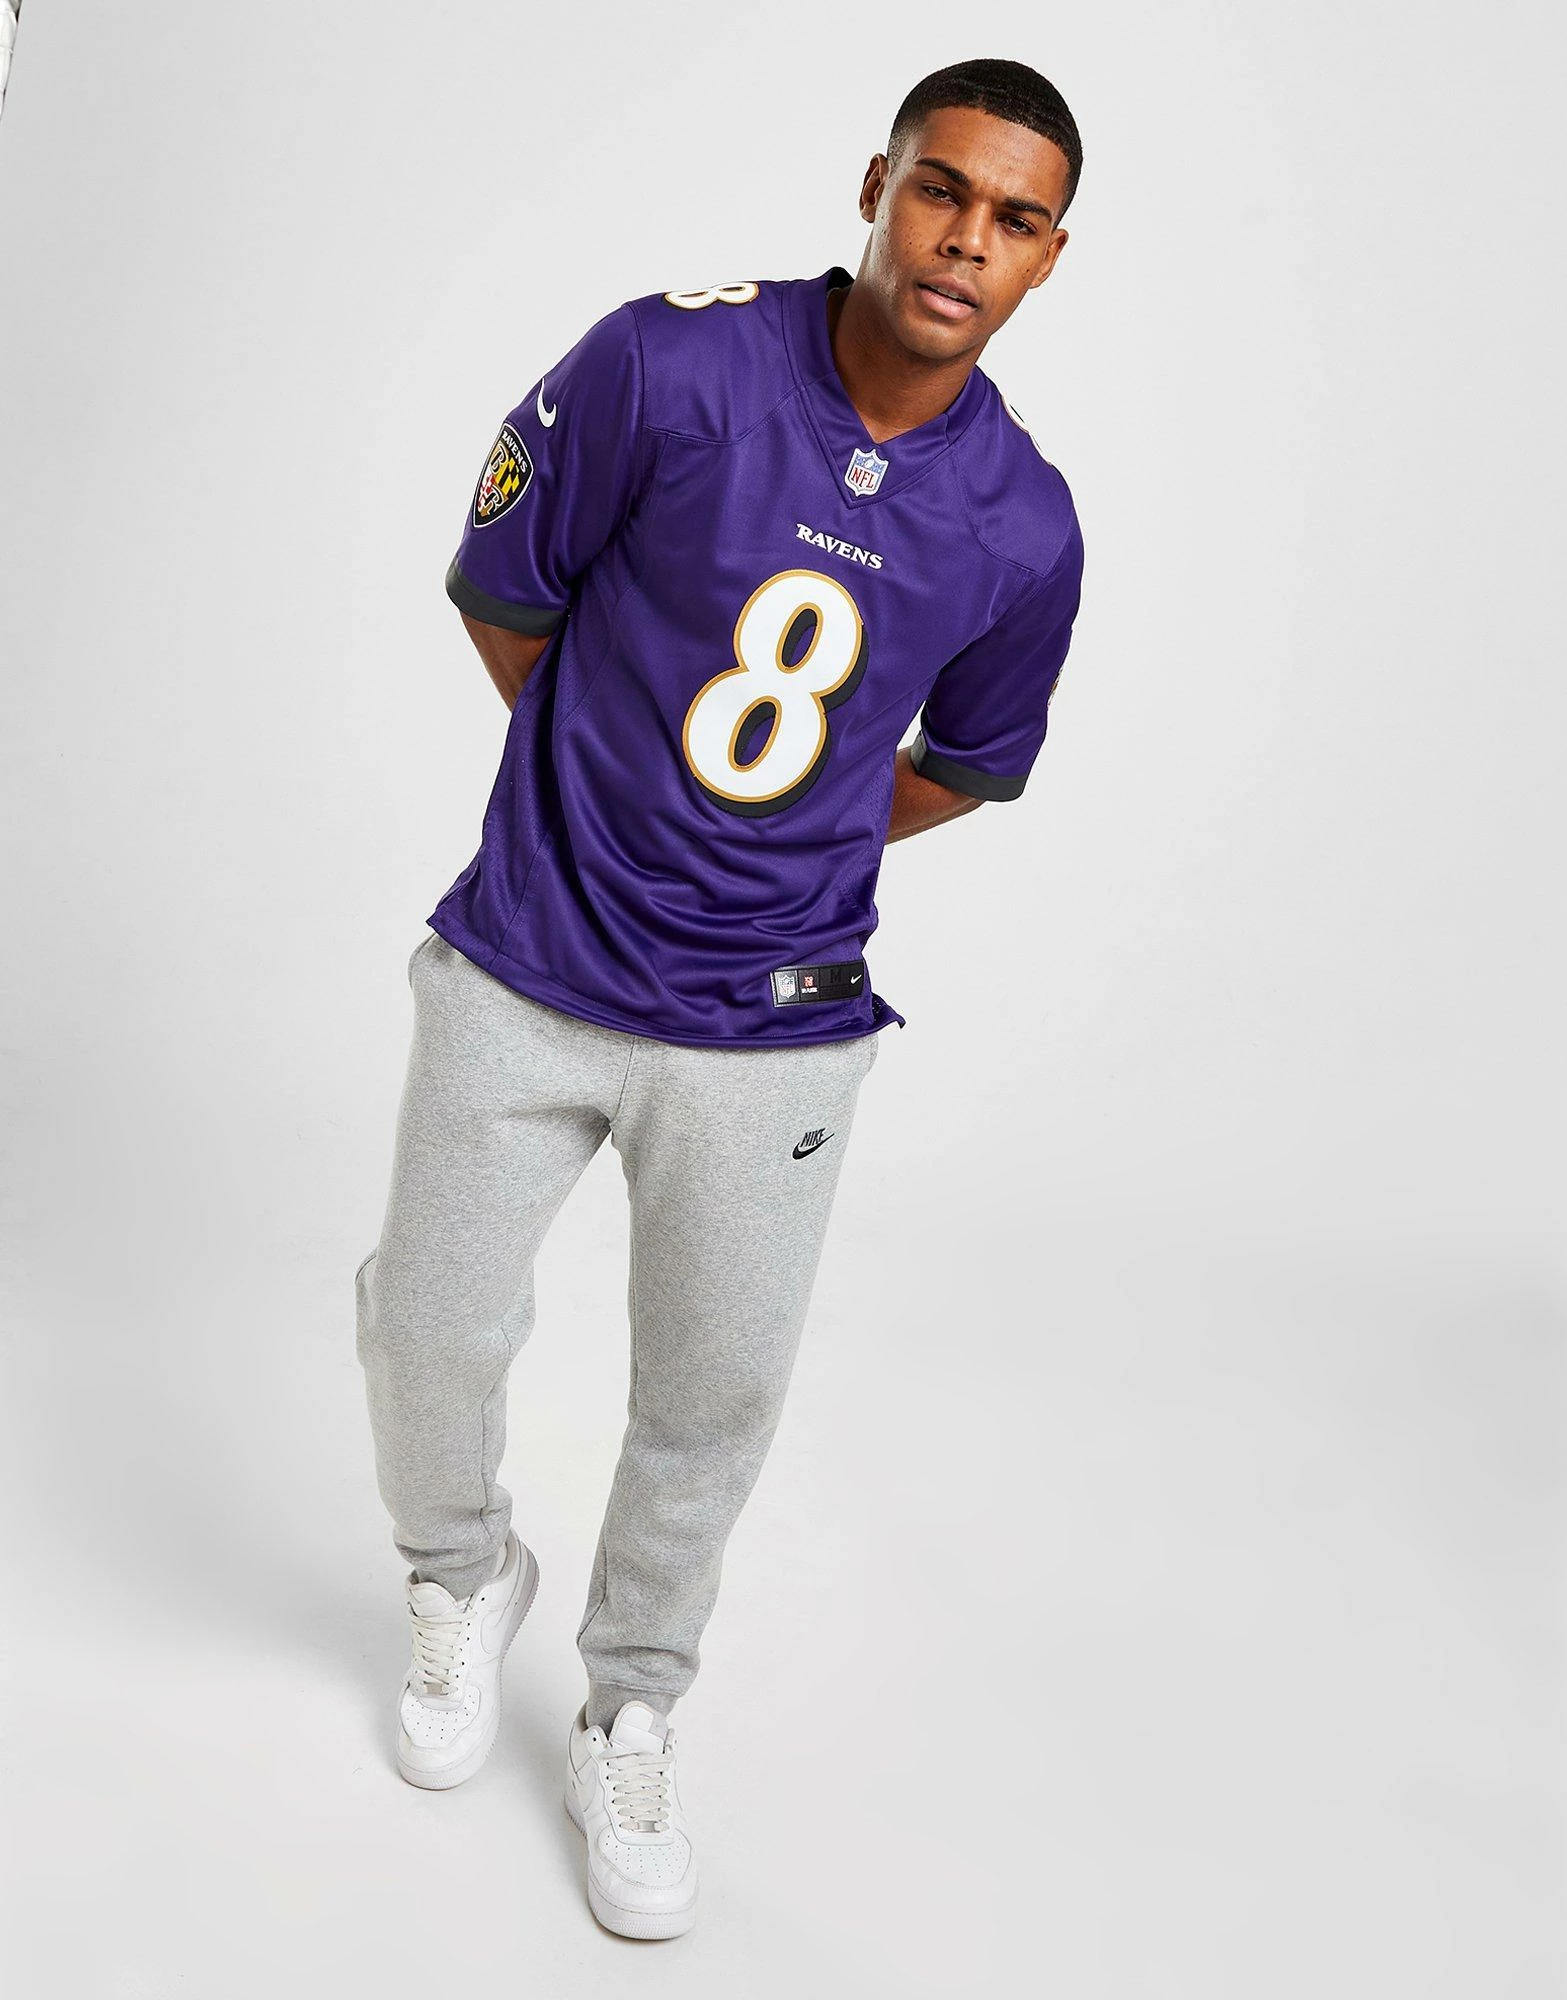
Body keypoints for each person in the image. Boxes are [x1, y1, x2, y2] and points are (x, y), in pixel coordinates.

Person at [355, 54, 1085, 1940]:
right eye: (942, 189)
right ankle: (461, 1573)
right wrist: (609, 794)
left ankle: (632, 1708)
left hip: (774, 1019)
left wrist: (788, 832)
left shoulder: (1023, 521)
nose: (964, 239)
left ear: (1046, 261)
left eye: (1012, 220)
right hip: (533, 952)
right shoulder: (669, 360)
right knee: (425, 1323)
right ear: (876, 184)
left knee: (712, 1398)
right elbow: (504, 590)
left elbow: (965, 767)